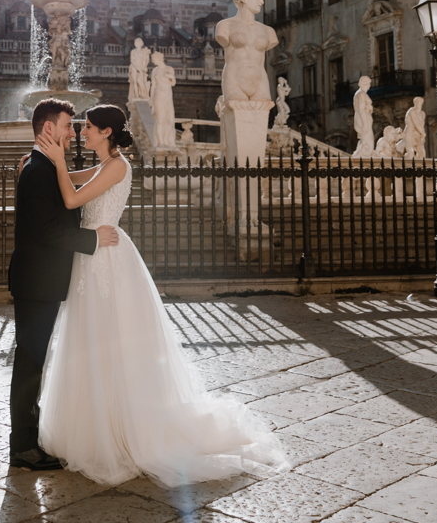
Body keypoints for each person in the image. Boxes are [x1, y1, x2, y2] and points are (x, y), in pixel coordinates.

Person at [34, 103, 287, 487]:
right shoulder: (104, 165)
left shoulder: (118, 166)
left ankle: (123, 430)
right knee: (92, 342)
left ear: (106, 133)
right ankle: (100, 424)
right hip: (92, 257)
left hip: (107, 258)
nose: (82, 133)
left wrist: (54, 161)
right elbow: (69, 179)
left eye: (88, 128)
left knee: (112, 341)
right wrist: (45, 160)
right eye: (81, 127)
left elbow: (71, 199)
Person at [8, 98, 119, 472]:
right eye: (68, 126)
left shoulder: (42, 165)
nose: (72, 133)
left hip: (43, 279)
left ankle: (30, 437)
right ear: (48, 129)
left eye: (77, 127)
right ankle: (23, 446)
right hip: (37, 280)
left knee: (35, 359)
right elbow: (47, 230)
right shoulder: (38, 170)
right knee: (30, 361)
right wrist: (91, 241)